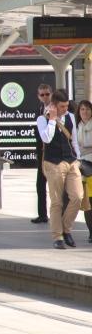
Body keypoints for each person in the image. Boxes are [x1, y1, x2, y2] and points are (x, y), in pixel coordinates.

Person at [38, 90, 83, 249]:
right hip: (53, 163)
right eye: (62, 106)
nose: (65, 109)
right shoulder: (42, 119)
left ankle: (66, 228)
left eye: (66, 106)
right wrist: (52, 119)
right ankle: (58, 236)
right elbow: (46, 138)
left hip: (71, 161)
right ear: (54, 105)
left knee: (78, 196)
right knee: (56, 201)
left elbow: (75, 140)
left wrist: (78, 158)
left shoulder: (70, 116)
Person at [32, 83, 53, 224]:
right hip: (42, 152)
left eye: (47, 94)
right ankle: (42, 214)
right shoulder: (39, 109)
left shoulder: (54, 109)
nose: (45, 97)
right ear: (38, 96)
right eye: (42, 94)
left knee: (56, 186)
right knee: (40, 184)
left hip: (53, 152)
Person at [74, 100, 92, 244]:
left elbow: (83, 145)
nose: (85, 112)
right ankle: (91, 232)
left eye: (87, 109)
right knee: (86, 202)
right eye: (82, 110)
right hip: (83, 166)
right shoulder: (77, 126)